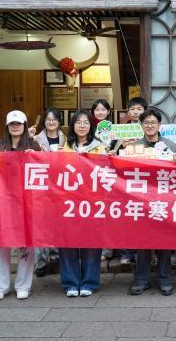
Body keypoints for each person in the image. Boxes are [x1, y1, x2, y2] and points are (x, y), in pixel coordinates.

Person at [127, 107, 176, 296]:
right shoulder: (133, 148)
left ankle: (165, 279)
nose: (150, 126)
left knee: (164, 243)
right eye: (146, 123)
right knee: (142, 242)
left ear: (159, 125)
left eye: (153, 122)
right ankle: (141, 279)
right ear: (141, 125)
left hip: (164, 202)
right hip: (141, 201)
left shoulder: (171, 147)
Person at [0, 110, 41, 301]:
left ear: (25, 125)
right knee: (0, 244)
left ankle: (23, 285)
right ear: (7, 126)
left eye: (19, 123)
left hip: (26, 203)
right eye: (12, 124)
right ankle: (0, 286)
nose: (16, 127)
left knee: (26, 244)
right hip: (2, 202)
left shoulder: (33, 146)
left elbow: (44, 170)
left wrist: (36, 157)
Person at [59, 110, 106, 297]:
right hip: (68, 202)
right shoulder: (64, 147)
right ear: (73, 125)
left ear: (91, 126)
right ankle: (71, 283)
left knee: (91, 242)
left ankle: (89, 282)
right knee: (67, 242)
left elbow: (106, 170)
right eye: (78, 122)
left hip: (92, 202)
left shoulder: (99, 147)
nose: (82, 125)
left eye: (86, 122)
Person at [112, 97, 149, 264]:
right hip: (125, 177)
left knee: (143, 216)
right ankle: (126, 252)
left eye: (139, 109)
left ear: (145, 111)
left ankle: (142, 252)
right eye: (132, 109)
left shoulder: (149, 129)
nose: (135, 112)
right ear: (128, 112)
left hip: (145, 178)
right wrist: (123, 147)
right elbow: (113, 151)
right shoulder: (121, 130)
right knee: (127, 215)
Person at [32, 108, 65, 277]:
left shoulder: (66, 139)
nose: (51, 122)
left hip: (61, 186)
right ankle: (40, 262)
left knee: (57, 223)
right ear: (44, 122)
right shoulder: (35, 139)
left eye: (54, 119)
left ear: (59, 121)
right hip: (41, 186)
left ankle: (55, 257)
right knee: (40, 224)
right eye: (48, 119)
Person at [89, 99, 116, 263]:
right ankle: (93, 247)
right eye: (97, 109)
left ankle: (107, 249)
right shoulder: (88, 128)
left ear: (108, 111)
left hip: (110, 174)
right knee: (94, 212)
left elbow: (120, 149)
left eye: (103, 109)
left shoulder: (115, 129)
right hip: (91, 174)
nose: (100, 112)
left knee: (108, 212)